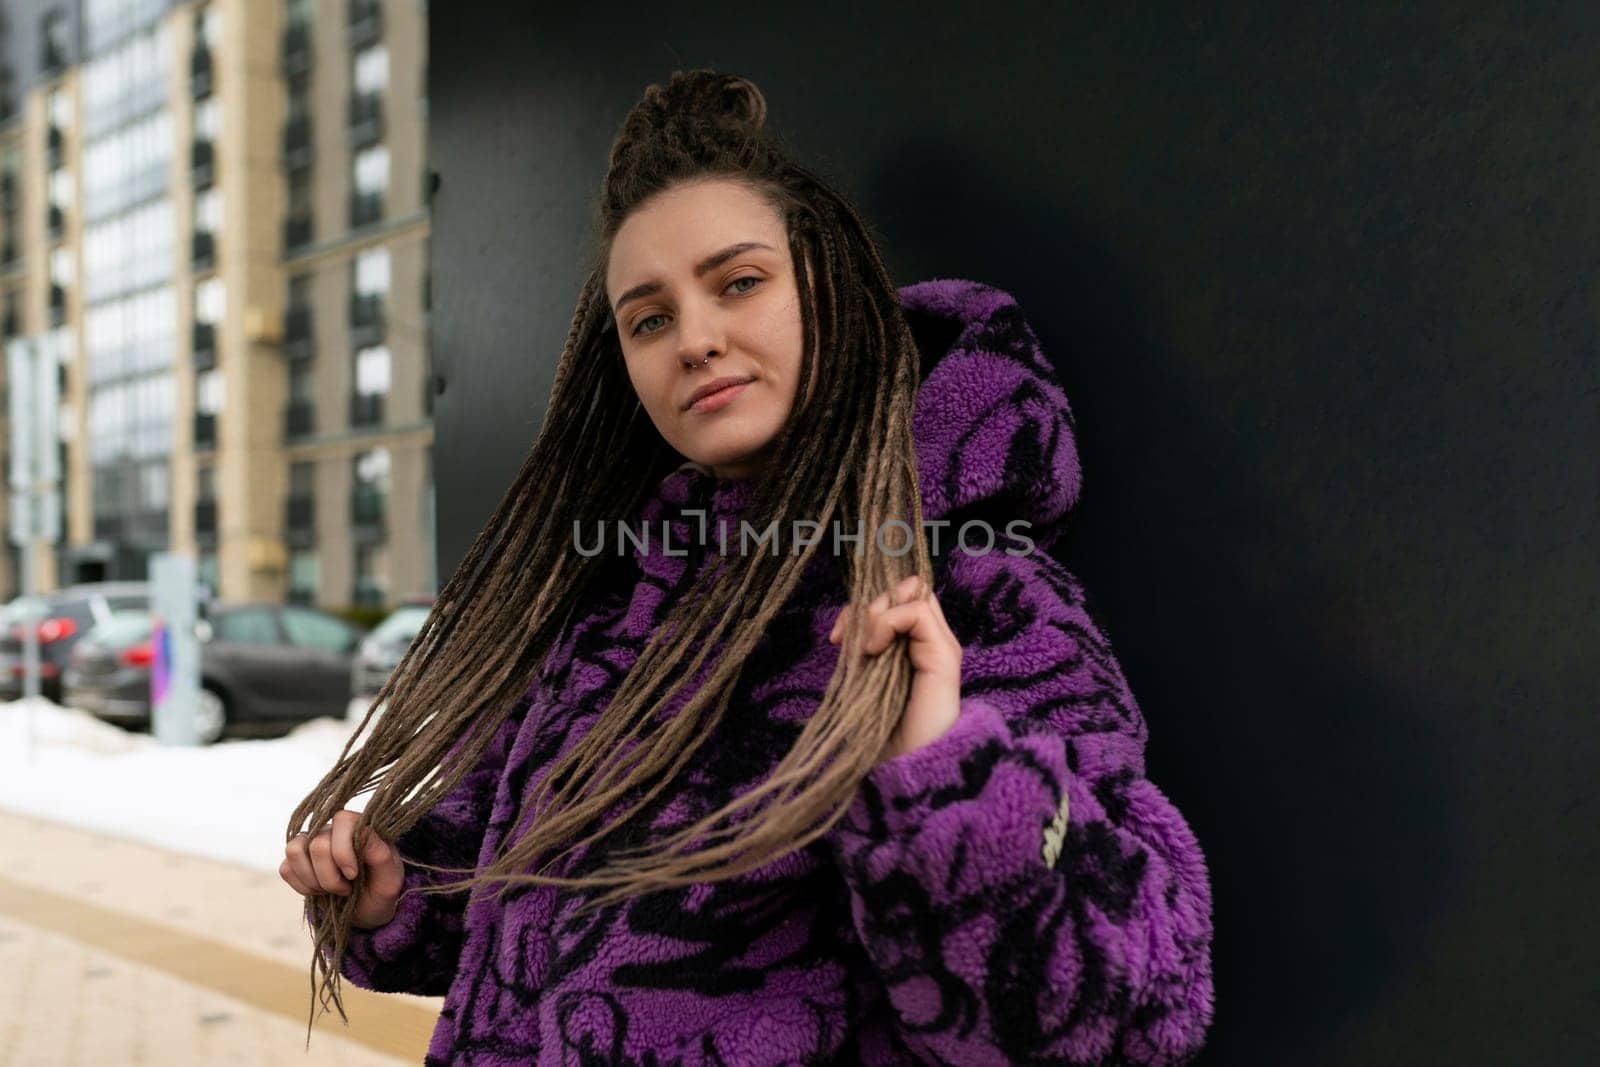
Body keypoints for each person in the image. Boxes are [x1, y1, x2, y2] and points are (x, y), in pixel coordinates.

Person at [282, 69, 1214, 1064]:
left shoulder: (974, 595)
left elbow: (1131, 1012)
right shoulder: (609, 600)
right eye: (647, 317)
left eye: (738, 281)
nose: (695, 338)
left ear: (831, 286)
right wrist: (396, 895)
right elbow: (526, 932)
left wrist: (942, 768)